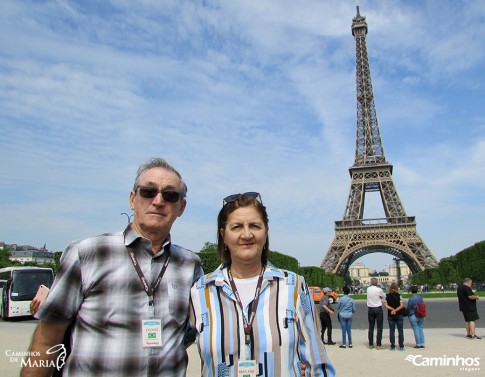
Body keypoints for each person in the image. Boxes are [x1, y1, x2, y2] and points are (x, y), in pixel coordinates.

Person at [21, 157, 204, 377]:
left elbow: (190, 333)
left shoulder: (190, 265)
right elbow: (48, 339)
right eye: (148, 191)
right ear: (132, 199)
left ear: (181, 207)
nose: (158, 200)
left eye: (170, 195)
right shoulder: (87, 253)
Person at [189, 192, 335, 377]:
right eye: (237, 227)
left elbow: (317, 361)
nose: (247, 234)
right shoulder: (199, 291)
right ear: (223, 235)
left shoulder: (294, 286)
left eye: (255, 226)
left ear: (265, 232)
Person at [383, 283, 405, 351]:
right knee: (400, 330)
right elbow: (402, 305)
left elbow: (386, 305)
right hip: (399, 314)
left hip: (391, 314)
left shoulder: (386, 296)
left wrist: (392, 309)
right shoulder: (399, 296)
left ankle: (392, 346)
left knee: (392, 331)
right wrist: (395, 310)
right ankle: (401, 346)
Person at [366, 277, 386, 350]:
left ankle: (371, 344)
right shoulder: (379, 289)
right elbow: (384, 297)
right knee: (379, 327)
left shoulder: (368, 289)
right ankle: (378, 344)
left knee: (371, 327)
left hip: (370, 309)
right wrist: (380, 297)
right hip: (377, 308)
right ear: (377, 283)